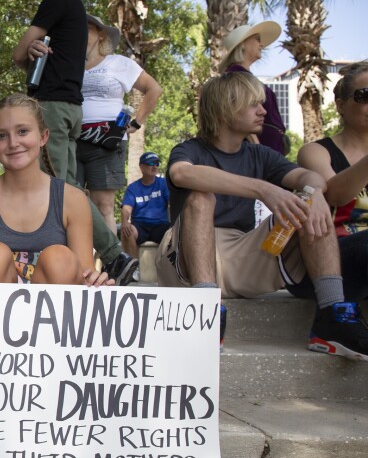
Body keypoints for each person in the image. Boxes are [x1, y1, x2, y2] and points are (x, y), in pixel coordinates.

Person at [155, 72, 368, 359]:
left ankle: (331, 315)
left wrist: (314, 192)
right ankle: (204, 314)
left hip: (241, 255)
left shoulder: (260, 155)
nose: (263, 111)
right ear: (226, 107)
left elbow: (309, 176)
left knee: (306, 201)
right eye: (253, 104)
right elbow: (182, 173)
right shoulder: (190, 149)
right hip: (184, 259)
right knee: (200, 197)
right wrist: (263, 189)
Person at [13, 0, 139, 285]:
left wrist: (26, 54)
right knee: (66, 189)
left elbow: (18, 54)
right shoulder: (75, 7)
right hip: (71, 109)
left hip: (53, 108)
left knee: (58, 188)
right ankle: (75, 262)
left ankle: (113, 256)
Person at [0, 94, 110, 286]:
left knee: (60, 258)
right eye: (1, 136)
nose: (13, 143)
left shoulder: (72, 199)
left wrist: (95, 282)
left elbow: (84, 274)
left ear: (43, 137)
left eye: (22, 131)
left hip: (54, 308)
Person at [78, 14, 162, 233]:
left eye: (86, 29)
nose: (79, 33)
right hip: (71, 138)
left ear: (101, 35)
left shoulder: (119, 63)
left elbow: (154, 89)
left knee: (103, 204)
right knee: (70, 204)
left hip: (107, 140)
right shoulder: (68, 64)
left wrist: (136, 123)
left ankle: (112, 265)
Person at [297, 61, 368, 302]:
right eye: (364, 95)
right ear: (340, 105)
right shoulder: (316, 152)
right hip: (333, 259)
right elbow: (336, 195)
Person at [222, 21, 288, 155]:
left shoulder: (244, 76)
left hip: (268, 149)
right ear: (243, 45)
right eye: (257, 40)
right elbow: (233, 115)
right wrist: (259, 151)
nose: (262, 44)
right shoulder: (235, 77)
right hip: (257, 152)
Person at [120, 151, 170, 258]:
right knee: (127, 230)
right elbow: (126, 208)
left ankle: (172, 268)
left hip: (160, 225)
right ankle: (133, 267)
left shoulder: (164, 183)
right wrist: (124, 222)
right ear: (141, 167)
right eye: (151, 163)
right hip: (140, 226)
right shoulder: (133, 188)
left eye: (157, 164)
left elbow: (172, 203)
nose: (155, 166)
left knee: (174, 232)